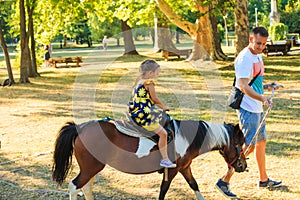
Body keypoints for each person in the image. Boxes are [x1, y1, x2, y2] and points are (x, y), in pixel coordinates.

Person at [215, 27, 282, 199]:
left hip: (257, 106)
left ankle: (263, 179)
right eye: (258, 43)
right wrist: (262, 98)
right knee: (250, 146)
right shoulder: (244, 58)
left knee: (261, 142)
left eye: (264, 44)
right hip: (248, 108)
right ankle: (224, 180)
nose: (261, 47)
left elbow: (254, 80)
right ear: (251, 38)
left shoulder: (257, 55)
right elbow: (243, 86)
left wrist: (267, 86)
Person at [128, 59, 176, 168]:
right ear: (150, 73)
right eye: (156, 73)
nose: (157, 76)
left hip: (136, 112)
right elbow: (154, 98)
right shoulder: (149, 83)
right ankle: (165, 159)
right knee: (163, 134)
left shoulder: (138, 82)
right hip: (144, 115)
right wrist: (164, 107)